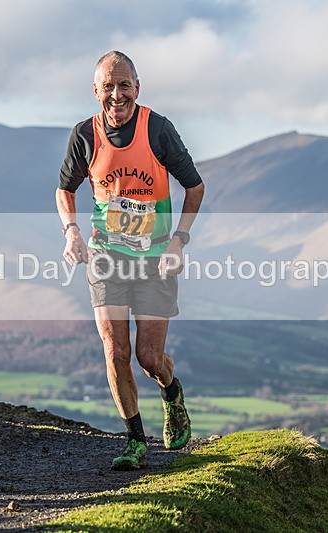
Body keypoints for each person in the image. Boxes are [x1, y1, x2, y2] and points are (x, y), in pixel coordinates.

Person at [56, 50, 205, 470]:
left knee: (147, 357)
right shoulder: (84, 135)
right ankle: (135, 441)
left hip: (156, 259)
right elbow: (64, 189)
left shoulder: (158, 131)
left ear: (137, 88)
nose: (117, 95)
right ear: (96, 91)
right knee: (115, 349)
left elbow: (194, 187)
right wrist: (71, 230)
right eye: (108, 86)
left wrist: (179, 240)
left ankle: (171, 391)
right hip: (106, 257)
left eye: (125, 86)